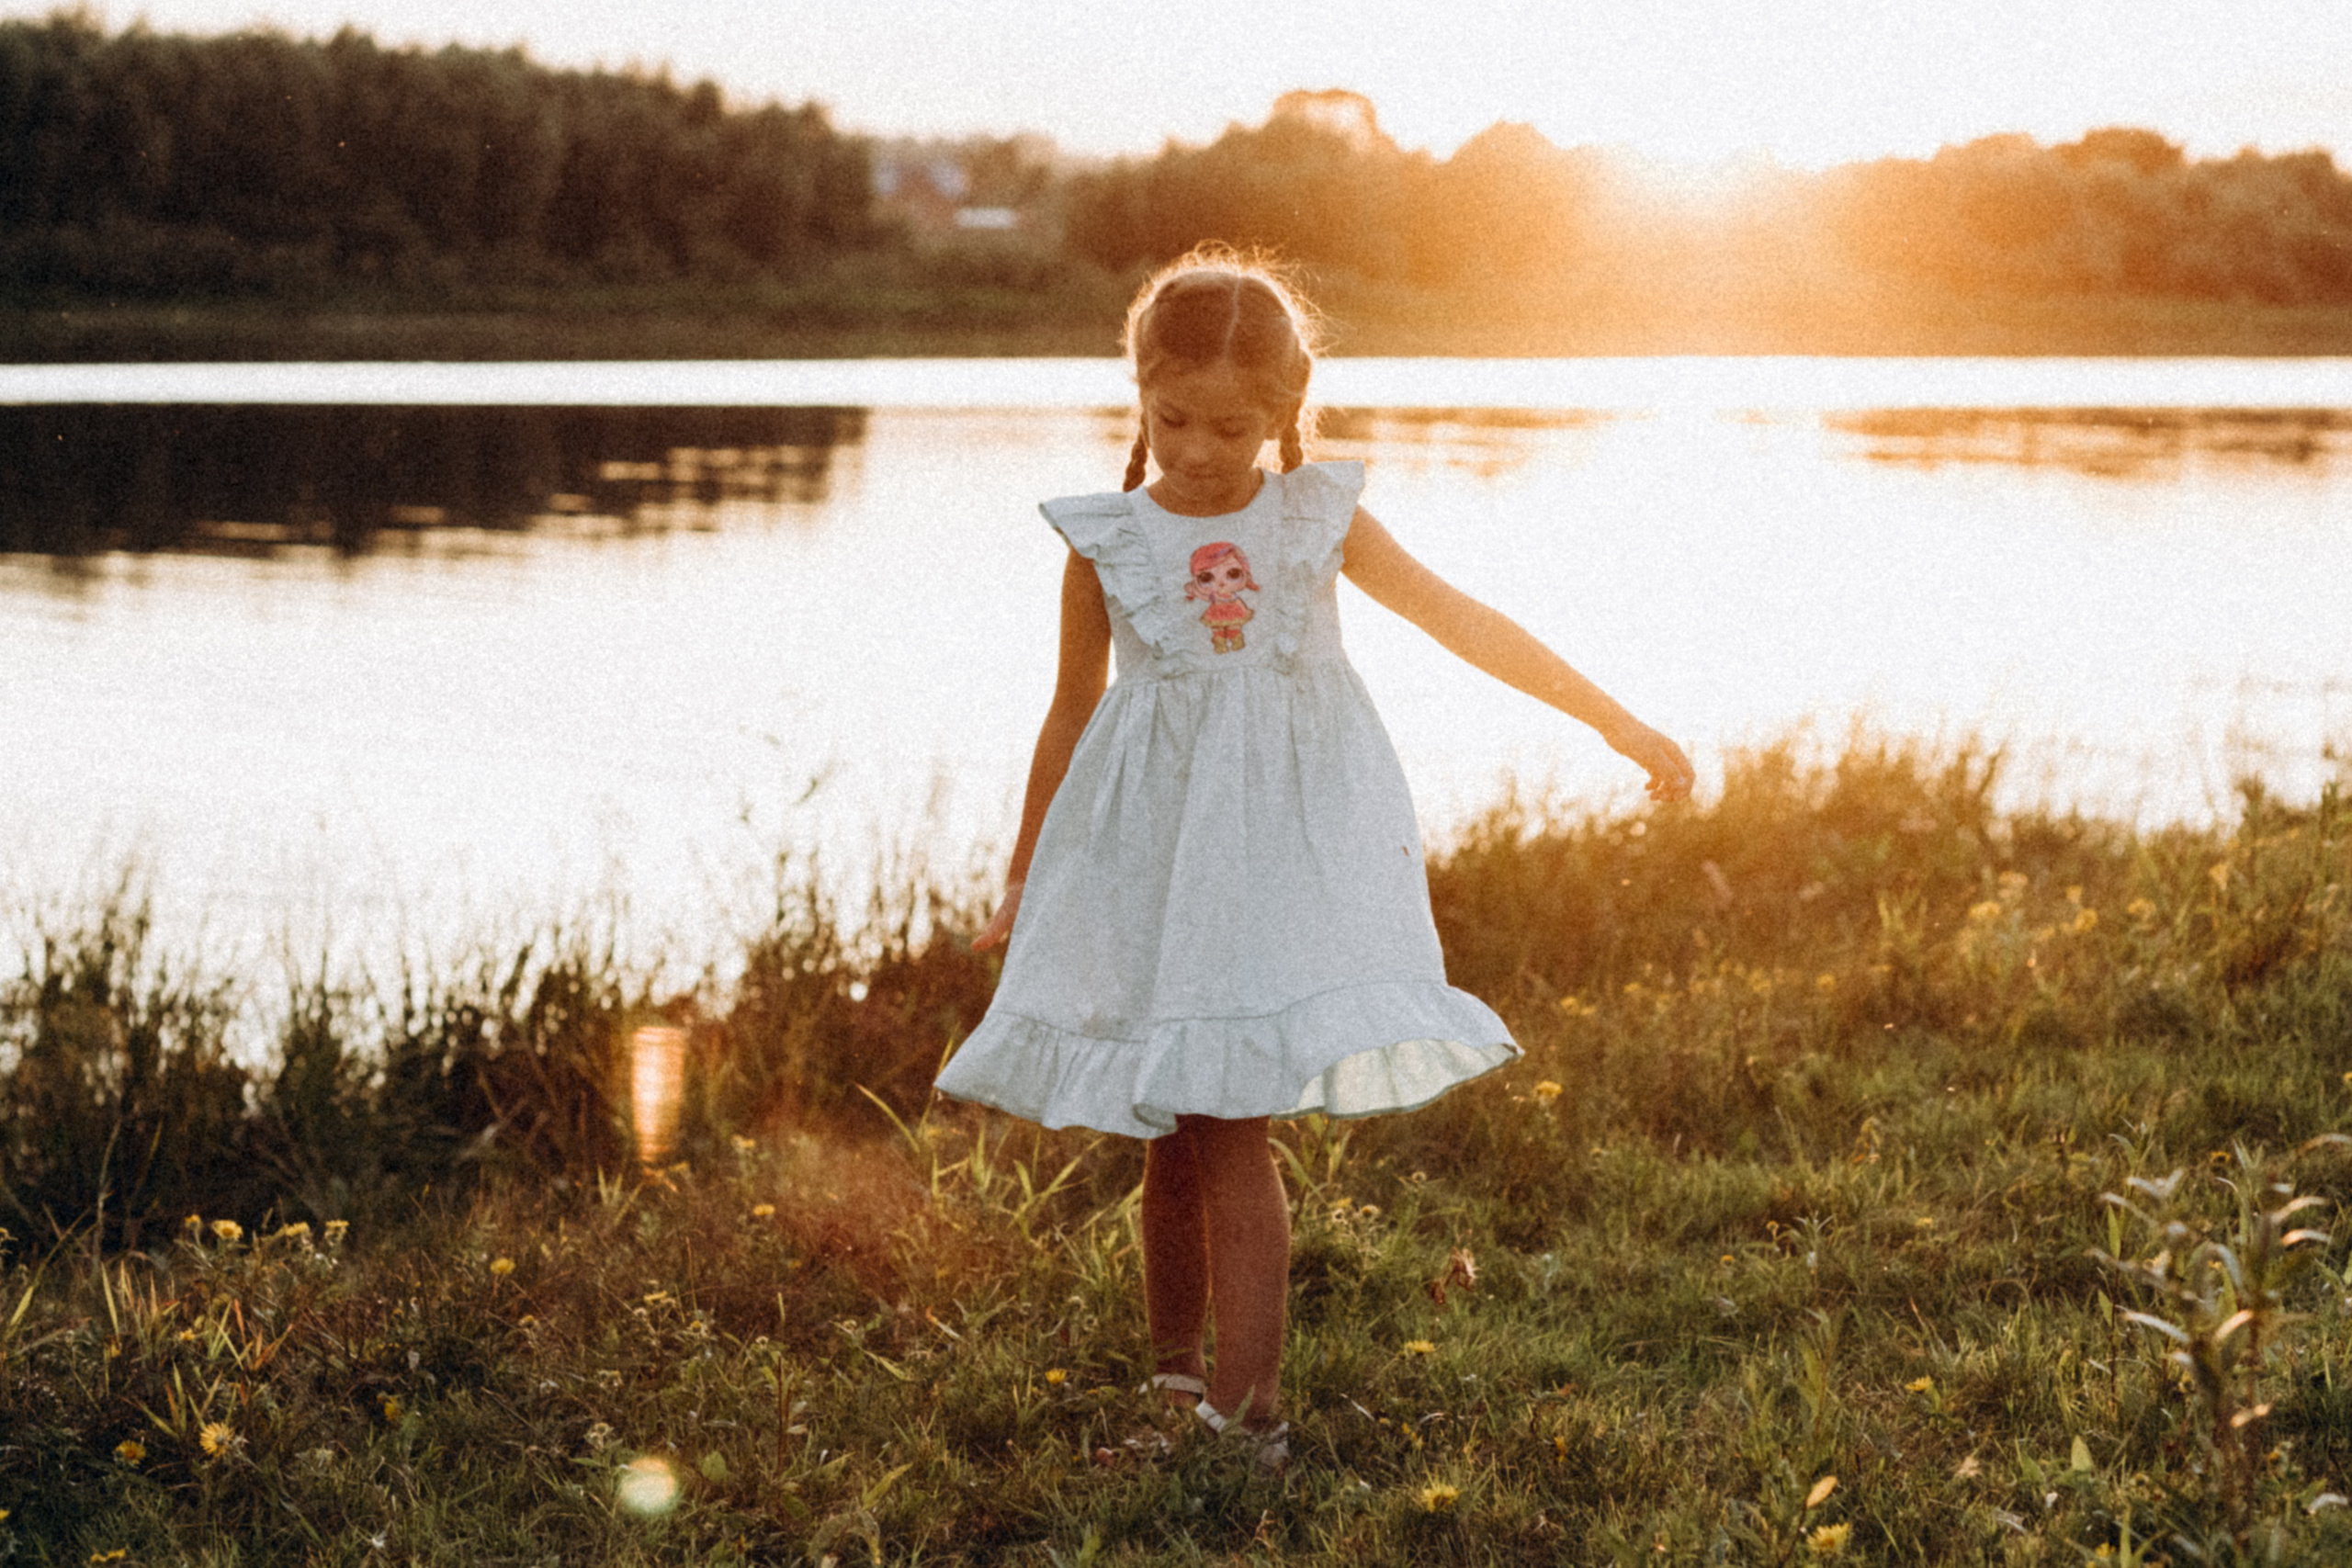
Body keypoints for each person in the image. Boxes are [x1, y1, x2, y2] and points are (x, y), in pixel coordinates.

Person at [934, 249, 1694, 1471]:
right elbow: (1071, 712)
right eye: (1170, 418)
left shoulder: (1313, 520)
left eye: (1229, 425)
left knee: (1229, 1123)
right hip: (1154, 865)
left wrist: (1612, 720)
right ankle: (1179, 1387)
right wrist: (1026, 873)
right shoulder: (1105, 541)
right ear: (1138, 395)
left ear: (1285, 411)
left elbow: (1463, 619)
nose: (1194, 449)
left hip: (1279, 865)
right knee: (1171, 1137)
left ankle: (1252, 1417)